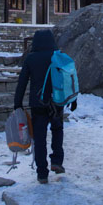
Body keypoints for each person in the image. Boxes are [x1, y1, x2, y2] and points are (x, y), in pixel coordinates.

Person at [14, 28, 76, 184]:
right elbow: (70, 79)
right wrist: (73, 99)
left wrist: (17, 103)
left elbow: (22, 83)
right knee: (57, 129)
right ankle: (57, 160)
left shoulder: (30, 59)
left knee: (39, 137)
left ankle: (42, 173)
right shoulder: (58, 57)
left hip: (38, 103)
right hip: (57, 102)